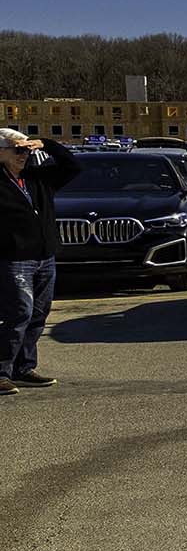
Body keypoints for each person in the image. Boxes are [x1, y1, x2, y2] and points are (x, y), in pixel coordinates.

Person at [0, 129, 79, 394]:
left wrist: (47, 144)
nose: (23, 155)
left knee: (38, 313)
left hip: (44, 256)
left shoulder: (39, 178)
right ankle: (2, 371)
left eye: (26, 150)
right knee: (18, 312)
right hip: (14, 258)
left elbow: (72, 165)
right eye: (17, 150)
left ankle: (24, 368)